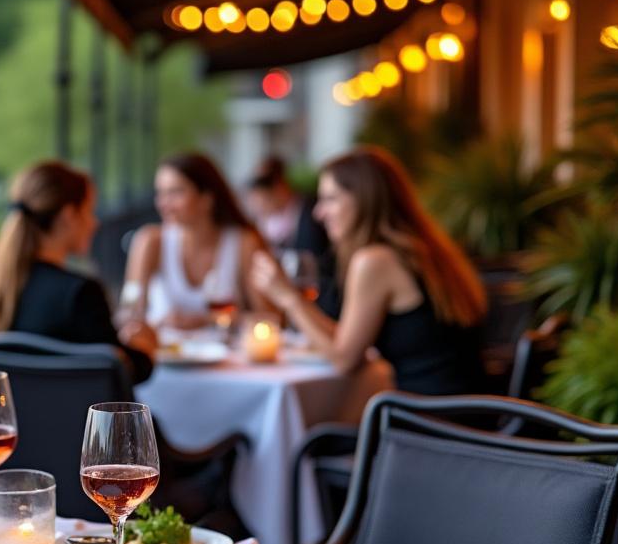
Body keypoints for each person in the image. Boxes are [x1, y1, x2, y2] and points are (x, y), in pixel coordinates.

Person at [249, 147, 487, 395]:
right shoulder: (420, 250)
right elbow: (347, 340)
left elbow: (344, 360)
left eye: (330, 199)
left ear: (364, 200)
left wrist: (288, 297)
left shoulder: (375, 261)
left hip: (429, 423)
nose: (319, 213)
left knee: (316, 434)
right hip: (465, 413)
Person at [0, 160, 157, 383]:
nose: (95, 223)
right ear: (69, 216)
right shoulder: (80, 294)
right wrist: (144, 348)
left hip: (6, 417)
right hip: (74, 419)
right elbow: (119, 377)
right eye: (89, 211)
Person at [122, 152, 273, 329]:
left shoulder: (243, 243)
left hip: (226, 355)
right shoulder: (149, 241)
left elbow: (269, 319)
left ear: (206, 199)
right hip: (163, 354)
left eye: (175, 192)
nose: (163, 204)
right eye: (160, 193)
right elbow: (128, 311)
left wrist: (206, 320)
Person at [245, 155, 336, 314]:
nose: (258, 199)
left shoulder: (312, 216)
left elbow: (318, 268)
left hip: (318, 308)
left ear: (280, 185)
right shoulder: (265, 222)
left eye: (262, 184)